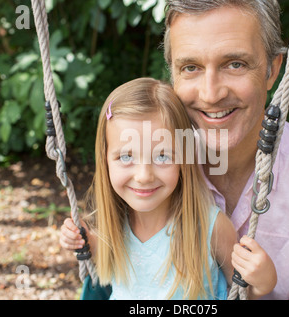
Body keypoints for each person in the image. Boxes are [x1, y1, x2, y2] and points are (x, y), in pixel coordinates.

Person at [162, 0, 289, 299]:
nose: (211, 93)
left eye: (235, 64)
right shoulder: (144, 169)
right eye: (190, 68)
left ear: (272, 71)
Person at [61, 77, 251, 299]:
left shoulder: (210, 228)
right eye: (126, 156)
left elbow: (243, 291)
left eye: (162, 156)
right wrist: (82, 240)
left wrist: (263, 281)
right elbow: (106, 260)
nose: (144, 176)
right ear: (105, 161)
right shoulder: (111, 229)